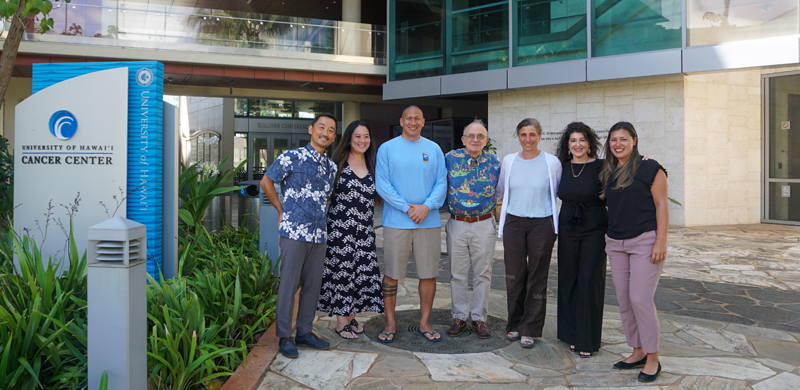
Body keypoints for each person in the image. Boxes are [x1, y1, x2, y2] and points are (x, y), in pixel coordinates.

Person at [260, 113, 338, 359]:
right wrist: (281, 210)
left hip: (319, 234)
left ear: (334, 137)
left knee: (313, 286)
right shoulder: (291, 157)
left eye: (331, 130)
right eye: (321, 127)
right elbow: (266, 182)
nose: (325, 133)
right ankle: (285, 336)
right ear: (311, 129)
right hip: (294, 231)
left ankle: (304, 332)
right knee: (289, 284)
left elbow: (326, 197)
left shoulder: (332, 167)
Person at [600, 121, 668, 382]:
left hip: (644, 241)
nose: (618, 144)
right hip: (616, 243)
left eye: (623, 139)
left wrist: (660, 241)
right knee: (625, 301)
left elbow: (661, 205)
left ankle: (653, 358)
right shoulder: (609, 170)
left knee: (640, 298)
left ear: (635, 140)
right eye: (613, 140)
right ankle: (637, 351)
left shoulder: (651, 167)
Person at [375, 105, 447, 343]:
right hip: (397, 221)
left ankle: (424, 322)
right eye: (409, 118)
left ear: (423, 122)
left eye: (417, 118)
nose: (413, 122)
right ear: (401, 121)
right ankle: (390, 322)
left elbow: (441, 182)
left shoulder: (434, 149)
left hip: (428, 221)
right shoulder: (387, 149)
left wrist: (427, 206)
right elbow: (382, 185)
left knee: (428, 274)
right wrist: (407, 208)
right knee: (392, 274)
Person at [496, 118, 562, 348]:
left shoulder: (551, 162)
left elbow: (558, 190)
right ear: (518, 136)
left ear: (539, 135)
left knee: (537, 276)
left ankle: (530, 328)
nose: (527, 139)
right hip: (514, 222)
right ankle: (514, 324)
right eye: (523, 134)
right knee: (514, 276)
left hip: (542, 224)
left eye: (532, 134)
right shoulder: (509, 161)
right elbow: (501, 189)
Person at [317, 120, 384, 339]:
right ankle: (341, 322)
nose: (363, 140)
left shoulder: (373, 164)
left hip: (364, 231)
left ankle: (352, 316)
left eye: (366, 136)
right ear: (349, 139)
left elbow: (375, 198)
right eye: (358, 136)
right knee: (342, 274)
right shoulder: (336, 163)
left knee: (360, 274)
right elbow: (324, 195)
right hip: (339, 231)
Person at [444, 120, 500, 339]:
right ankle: (459, 316)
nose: (475, 140)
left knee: (482, 274)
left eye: (480, 136)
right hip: (457, 223)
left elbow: (500, 190)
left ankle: (479, 318)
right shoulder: (450, 158)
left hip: (484, 223)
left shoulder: (495, 162)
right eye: (471, 136)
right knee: (457, 274)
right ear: (463, 139)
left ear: (486, 140)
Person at [555, 122, 607, 358]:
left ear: (590, 143)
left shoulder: (602, 166)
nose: (578, 144)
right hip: (567, 228)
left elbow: (628, 174)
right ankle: (570, 334)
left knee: (588, 280)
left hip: (594, 229)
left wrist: (647, 160)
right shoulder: (561, 167)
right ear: (568, 144)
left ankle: (586, 338)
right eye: (573, 140)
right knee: (568, 279)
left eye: (582, 140)